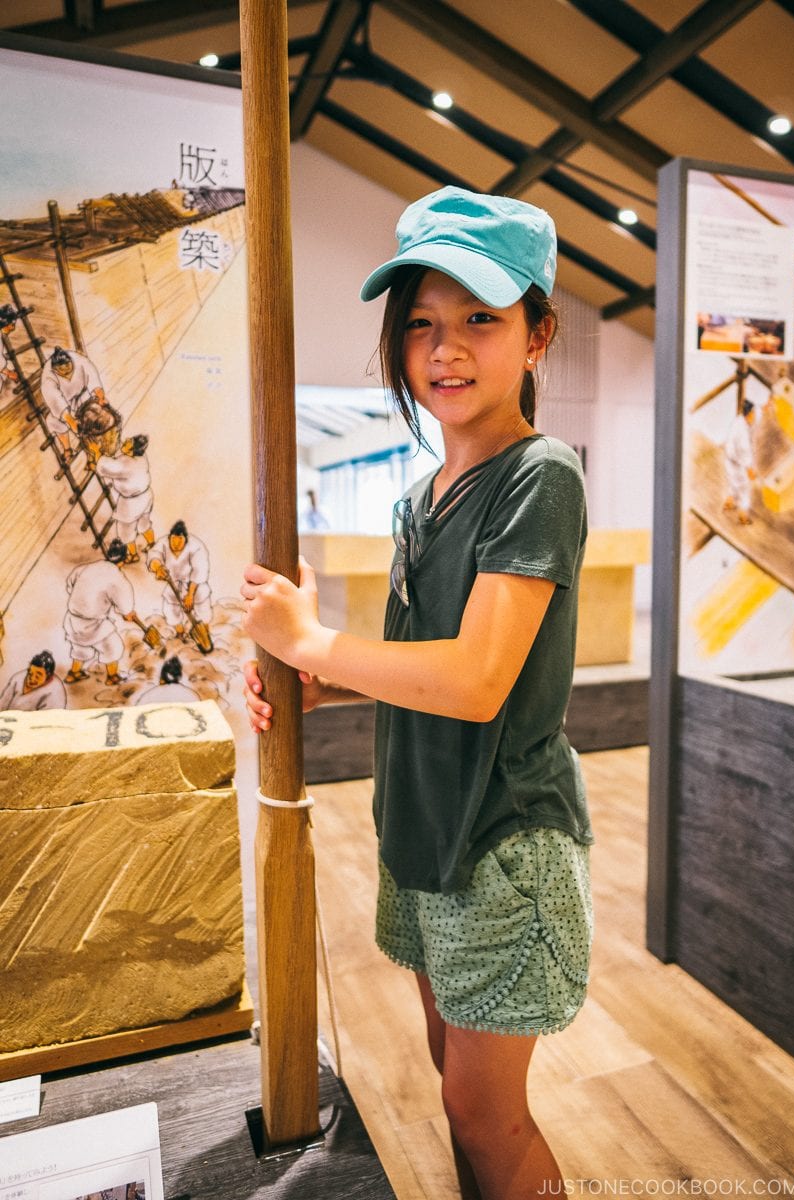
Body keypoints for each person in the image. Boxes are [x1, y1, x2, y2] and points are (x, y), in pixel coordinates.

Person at [241, 186, 593, 1200]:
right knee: (452, 1086)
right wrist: (321, 684)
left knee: (487, 1119)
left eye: (478, 318)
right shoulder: (416, 498)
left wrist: (319, 639)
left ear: (537, 334)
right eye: (422, 325)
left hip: (500, 845)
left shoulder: (540, 476)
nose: (445, 349)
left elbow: (479, 681)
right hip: (422, 832)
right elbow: (421, 673)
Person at [63, 539, 142, 685]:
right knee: (112, 646)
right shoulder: (117, 578)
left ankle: (73, 673)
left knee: (80, 646)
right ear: (124, 558)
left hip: (73, 618)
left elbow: (70, 584)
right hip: (93, 622)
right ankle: (112, 677)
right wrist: (128, 613)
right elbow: (126, 609)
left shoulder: (88, 567)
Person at [147, 520, 213, 645]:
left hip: (195, 584)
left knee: (202, 604)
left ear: (185, 539)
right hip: (173, 583)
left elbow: (200, 570)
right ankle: (180, 633)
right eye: (173, 539)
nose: (176, 544)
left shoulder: (196, 547)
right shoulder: (163, 543)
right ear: (170, 537)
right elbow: (153, 556)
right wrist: (158, 567)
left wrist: (190, 595)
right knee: (171, 608)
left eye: (180, 540)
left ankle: (204, 633)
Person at [94, 433, 155, 563]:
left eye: (129, 443)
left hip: (131, 503)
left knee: (125, 532)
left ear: (132, 451)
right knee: (144, 523)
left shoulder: (126, 464)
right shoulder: (141, 457)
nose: (126, 441)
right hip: (145, 496)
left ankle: (133, 555)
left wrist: (96, 452)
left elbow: (105, 466)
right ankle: (152, 543)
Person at [40, 346, 106, 462]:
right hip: (65, 403)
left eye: (69, 369)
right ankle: (67, 448)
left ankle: (96, 449)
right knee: (53, 420)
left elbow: (93, 378)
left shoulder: (79, 360)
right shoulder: (48, 376)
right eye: (63, 373)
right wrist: (70, 421)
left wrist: (100, 397)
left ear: (71, 362)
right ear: (55, 370)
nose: (67, 373)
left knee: (93, 416)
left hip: (83, 395)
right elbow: (55, 400)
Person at [723, 400, 758, 525]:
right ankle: (743, 516)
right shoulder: (743, 430)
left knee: (732, 484)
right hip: (739, 464)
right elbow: (745, 451)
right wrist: (749, 469)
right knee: (744, 490)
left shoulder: (737, 421)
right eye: (753, 413)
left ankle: (729, 503)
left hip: (729, 460)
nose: (754, 416)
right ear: (749, 414)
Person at [0, 650, 66, 711]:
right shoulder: (18, 678)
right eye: (30, 673)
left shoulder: (55, 692)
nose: (32, 678)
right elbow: (2, 704)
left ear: (48, 676)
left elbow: (48, 720)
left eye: (38, 676)